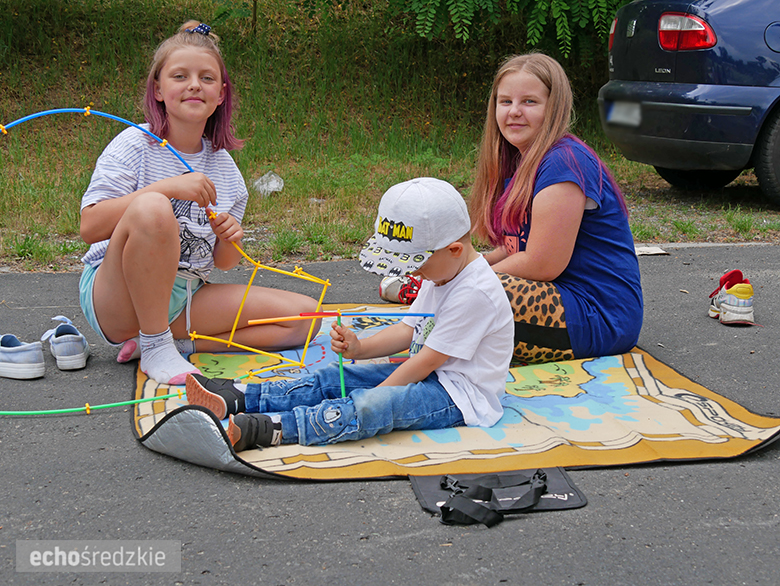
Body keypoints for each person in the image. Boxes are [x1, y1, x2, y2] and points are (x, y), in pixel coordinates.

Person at [185, 178, 514, 449]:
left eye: (415, 265)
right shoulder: (442, 270)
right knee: (334, 378)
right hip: (428, 374)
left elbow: (426, 361)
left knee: (370, 406)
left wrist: (374, 392)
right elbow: (408, 330)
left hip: (458, 397)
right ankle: (241, 396)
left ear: (454, 249)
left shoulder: (474, 293)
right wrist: (362, 348)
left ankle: (275, 428)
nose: (414, 276)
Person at [78, 21, 319, 385]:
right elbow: (90, 227)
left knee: (307, 318)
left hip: (186, 295)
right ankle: (156, 344)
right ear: (158, 89)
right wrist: (168, 187)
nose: (194, 84)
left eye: (207, 78)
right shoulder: (134, 145)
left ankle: (171, 343)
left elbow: (223, 263)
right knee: (154, 208)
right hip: (117, 297)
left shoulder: (225, 169)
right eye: (180, 76)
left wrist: (231, 236)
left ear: (221, 94)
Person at [468, 52, 643, 364]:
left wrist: (464, 278)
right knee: (452, 289)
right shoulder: (521, 160)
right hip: (561, 301)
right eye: (505, 101)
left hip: (597, 316)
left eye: (530, 102)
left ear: (554, 107)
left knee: (467, 297)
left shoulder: (565, 162)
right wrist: (459, 266)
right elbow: (514, 249)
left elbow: (541, 264)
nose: (514, 112)